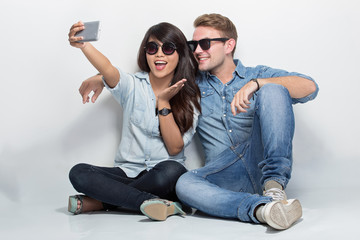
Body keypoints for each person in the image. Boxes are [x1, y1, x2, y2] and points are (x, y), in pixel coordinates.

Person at [79, 13, 319, 230]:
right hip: (223, 173)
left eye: (205, 44)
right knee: (184, 184)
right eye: (194, 45)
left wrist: (257, 84)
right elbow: (158, 72)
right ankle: (263, 209)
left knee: (274, 90)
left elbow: (309, 87)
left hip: (258, 159)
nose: (197, 51)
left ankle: (275, 187)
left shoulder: (256, 74)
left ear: (229, 45)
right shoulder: (191, 86)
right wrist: (102, 76)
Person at [66, 21, 201, 218]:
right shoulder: (132, 85)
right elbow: (108, 69)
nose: (159, 54)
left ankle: (104, 201)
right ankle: (147, 202)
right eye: (153, 48)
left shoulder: (189, 96)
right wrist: (84, 45)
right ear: (145, 53)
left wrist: (163, 102)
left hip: (163, 175)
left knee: (173, 170)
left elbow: (174, 148)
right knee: (79, 172)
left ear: (180, 53)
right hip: (127, 171)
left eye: (168, 48)